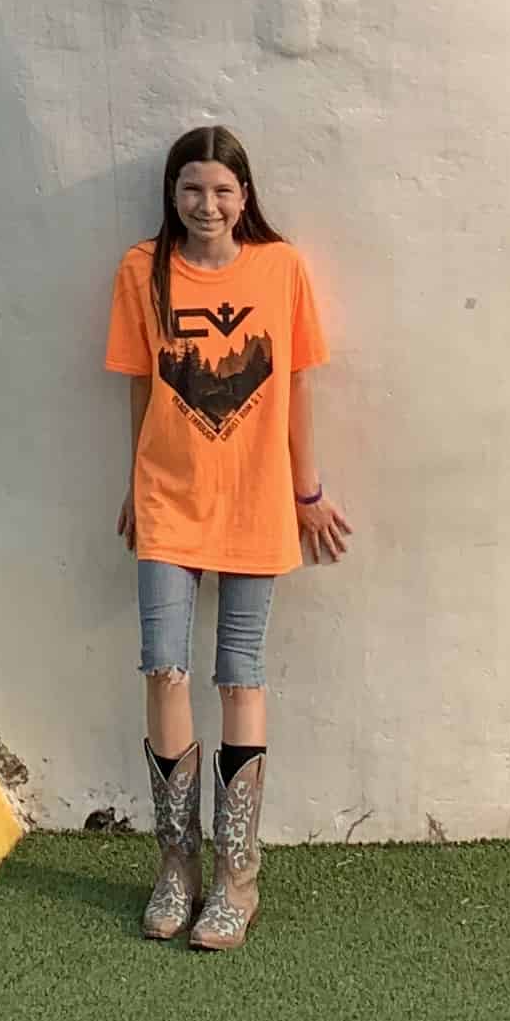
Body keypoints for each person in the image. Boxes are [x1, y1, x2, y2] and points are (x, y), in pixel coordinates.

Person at [104, 124, 348, 952]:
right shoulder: (143, 272)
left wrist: (305, 491)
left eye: (222, 190)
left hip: (254, 504)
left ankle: (237, 879)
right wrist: (137, 484)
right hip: (169, 503)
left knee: (239, 674)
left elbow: (297, 388)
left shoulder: (281, 270)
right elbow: (139, 387)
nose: (207, 205)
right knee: (162, 667)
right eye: (191, 190)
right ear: (172, 196)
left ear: (245, 196)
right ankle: (176, 868)